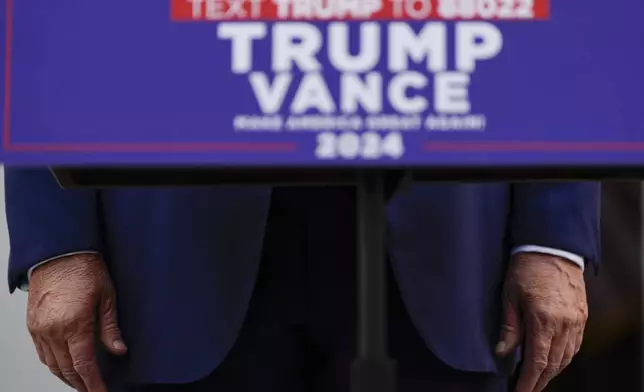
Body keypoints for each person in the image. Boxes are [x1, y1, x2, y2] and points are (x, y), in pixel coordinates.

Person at [5, 168, 599, 392]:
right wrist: (61, 244)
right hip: (175, 248)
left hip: (445, 238)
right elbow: (49, 20)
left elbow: (560, 26)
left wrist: (552, 236)